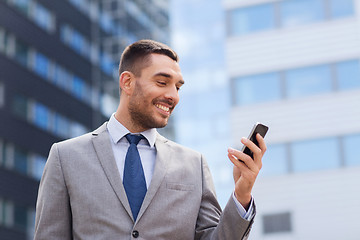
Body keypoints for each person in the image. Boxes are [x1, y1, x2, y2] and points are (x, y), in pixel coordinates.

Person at [34, 39, 266, 240]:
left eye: (177, 87)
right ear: (127, 82)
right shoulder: (65, 157)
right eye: (162, 82)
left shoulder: (194, 164)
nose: (173, 96)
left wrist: (242, 194)